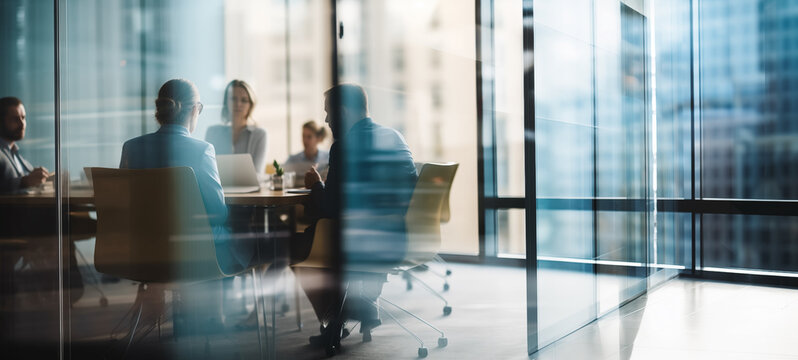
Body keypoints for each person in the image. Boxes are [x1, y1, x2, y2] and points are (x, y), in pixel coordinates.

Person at [293, 84, 418, 350]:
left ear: (342, 112)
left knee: (295, 246)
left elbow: (330, 208)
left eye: (328, 113)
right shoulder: (395, 136)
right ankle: (360, 306)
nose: (326, 120)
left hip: (364, 242)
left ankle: (342, 315)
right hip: (404, 236)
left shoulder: (343, 147)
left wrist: (316, 184)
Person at [205, 80, 267, 174]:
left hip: (249, 184)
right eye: (233, 99)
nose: (238, 104)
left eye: (244, 100)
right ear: (226, 102)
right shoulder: (213, 132)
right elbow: (207, 168)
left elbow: (257, 173)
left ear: (250, 105)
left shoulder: (260, 135)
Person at [0, 97, 49, 194]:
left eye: (23, 118)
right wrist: (23, 182)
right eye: (15, 119)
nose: (22, 124)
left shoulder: (16, 154)